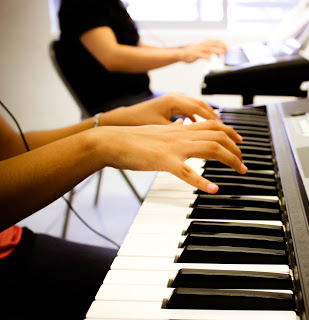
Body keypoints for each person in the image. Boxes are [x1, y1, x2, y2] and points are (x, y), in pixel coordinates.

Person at [0, 93, 247, 319]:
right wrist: (97, 145)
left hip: (10, 239)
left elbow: (9, 149)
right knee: (175, 294)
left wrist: (109, 122)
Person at [57, 0, 227, 115]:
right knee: (205, 119)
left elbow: (135, 47)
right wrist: (180, 55)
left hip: (140, 96)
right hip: (114, 107)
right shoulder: (82, 4)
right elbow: (112, 57)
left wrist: (186, 49)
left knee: (210, 111)